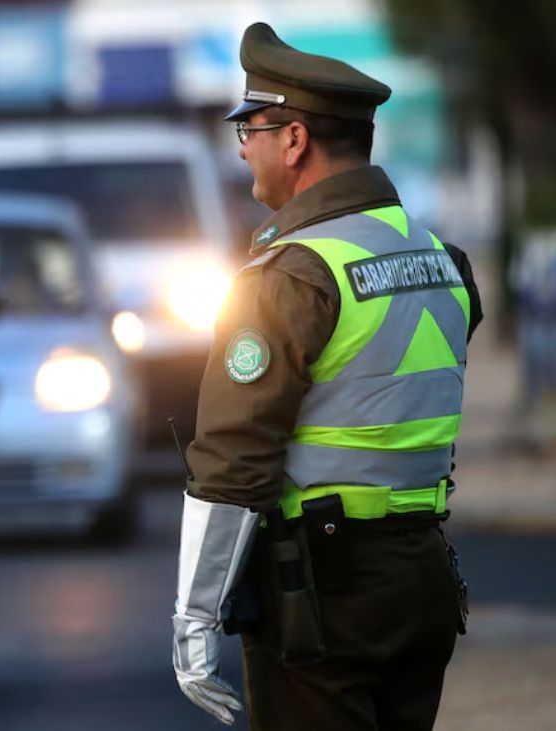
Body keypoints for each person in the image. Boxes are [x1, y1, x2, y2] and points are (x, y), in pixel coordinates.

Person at [172, 22, 483, 731]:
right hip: (421, 576)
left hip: (321, 594)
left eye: (249, 126)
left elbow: (233, 458)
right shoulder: (443, 259)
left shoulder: (289, 277)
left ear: (293, 139)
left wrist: (194, 614)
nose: (244, 145)